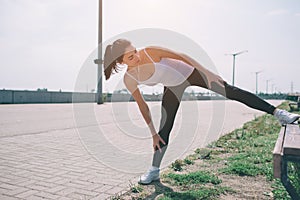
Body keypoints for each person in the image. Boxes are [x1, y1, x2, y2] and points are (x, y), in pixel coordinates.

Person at [104, 39, 300, 184]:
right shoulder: (130, 78)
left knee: (230, 91)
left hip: (191, 73)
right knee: (164, 129)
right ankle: (154, 170)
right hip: (172, 86)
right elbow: (142, 105)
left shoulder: (149, 52)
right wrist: (153, 134)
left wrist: (208, 74)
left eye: (135, 51)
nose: (137, 57)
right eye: (131, 57)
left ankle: (278, 114)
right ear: (121, 62)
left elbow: (182, 56)